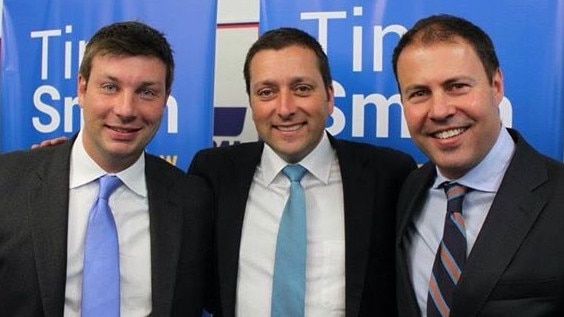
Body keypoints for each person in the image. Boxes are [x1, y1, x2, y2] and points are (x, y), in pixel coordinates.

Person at [188, 27, 416, 317]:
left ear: (329, 97)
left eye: (302, 88)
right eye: (266, 92)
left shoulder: (389, 175)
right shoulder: (213, 174)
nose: (285, 108)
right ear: (252, 102)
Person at [0, 21, 213, 316]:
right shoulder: (7, 181)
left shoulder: (193, 201)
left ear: (166, 99)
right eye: (110, 87)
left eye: (147, 92)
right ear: (82, 88)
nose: (126, 109)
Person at [392, 14, 564, 316]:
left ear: (496, 86)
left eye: (456, 86)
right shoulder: (407, 189)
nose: (440, 110)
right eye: (419, 93)